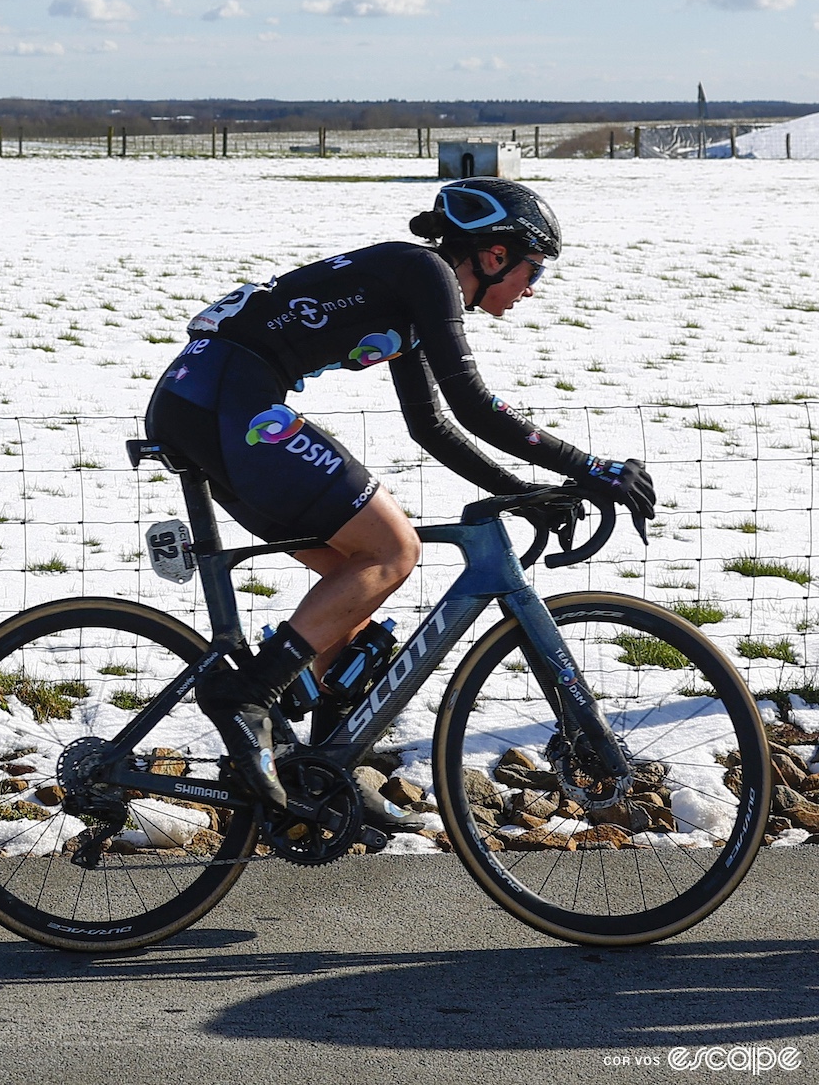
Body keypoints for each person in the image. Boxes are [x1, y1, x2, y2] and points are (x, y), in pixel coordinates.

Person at [143, 178, 655, 816]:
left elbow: (431, 424)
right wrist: (589, 467)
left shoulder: (416, 289)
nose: (533, 287)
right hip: (228, 401)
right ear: (494, 254)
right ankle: (242, 698)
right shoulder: (426, 273)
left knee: (349, 580)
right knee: (392, 551)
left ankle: (318, 772)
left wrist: (521, 491)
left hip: (203, 403)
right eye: (534, 269)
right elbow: (472, 401)